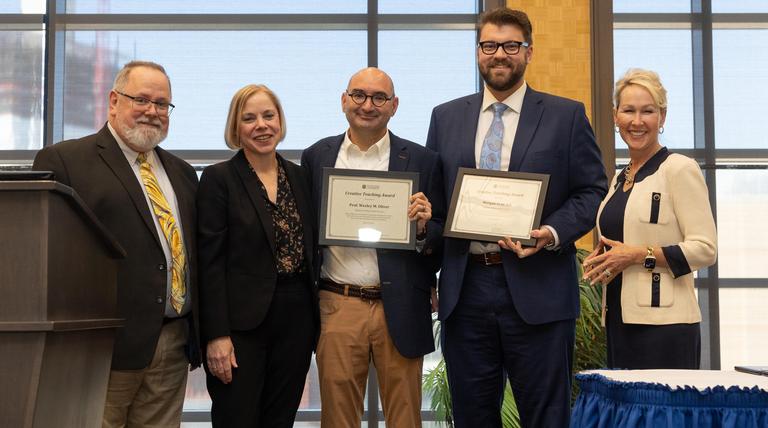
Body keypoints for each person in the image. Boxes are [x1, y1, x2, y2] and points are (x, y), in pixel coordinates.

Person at [425, 7, 608, 428]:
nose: (499, 54)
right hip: (466, 290)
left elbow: (592, 189)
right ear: (478, 53)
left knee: (546, 415)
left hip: (539, 288)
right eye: (490, 45)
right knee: (472, 416)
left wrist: (551, 232)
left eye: (511, 45)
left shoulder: (566, 115)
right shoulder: (446, 116)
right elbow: (435, 207)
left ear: (529, 52)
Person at [33, 60, 200, 427]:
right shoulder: (66, 160)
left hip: (172, 345)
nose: (152, 112)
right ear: (113, 101)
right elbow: (45, 257)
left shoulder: (183, 173)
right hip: (102, 349)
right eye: (142, 99)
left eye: (162, 104)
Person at [301, 67, 444, 428]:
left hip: (401, 305)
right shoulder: (316, 156)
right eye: (359, 95)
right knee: (338, 417)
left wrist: (426, 226)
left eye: (379, 98)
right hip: (338, 303)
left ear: (394, 105)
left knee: (405, 416)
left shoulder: (423, 160)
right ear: (344, 100)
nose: (368, 105)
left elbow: (442, 233)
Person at [197, 84, 319, 427]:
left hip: (297, 319)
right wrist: (216, 335)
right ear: (236, 127)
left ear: (280, 120)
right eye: (249, 118)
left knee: (280, 420)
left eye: (269, 115)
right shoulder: (218, 178)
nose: (261, 125)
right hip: (239, 327)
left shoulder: (300, 176)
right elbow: (210, 263)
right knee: (237, 417)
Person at [582, 69, 717, 370]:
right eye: (628, 111)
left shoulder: (679, 169)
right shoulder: (619, 178)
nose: (637, 121)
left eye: (648, 111)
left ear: (662, 117)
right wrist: (605, 258)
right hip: (619, 320)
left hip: (666, 327)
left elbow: (705, 249)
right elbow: (629, 236)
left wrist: (636, 255)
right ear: (615, 117)